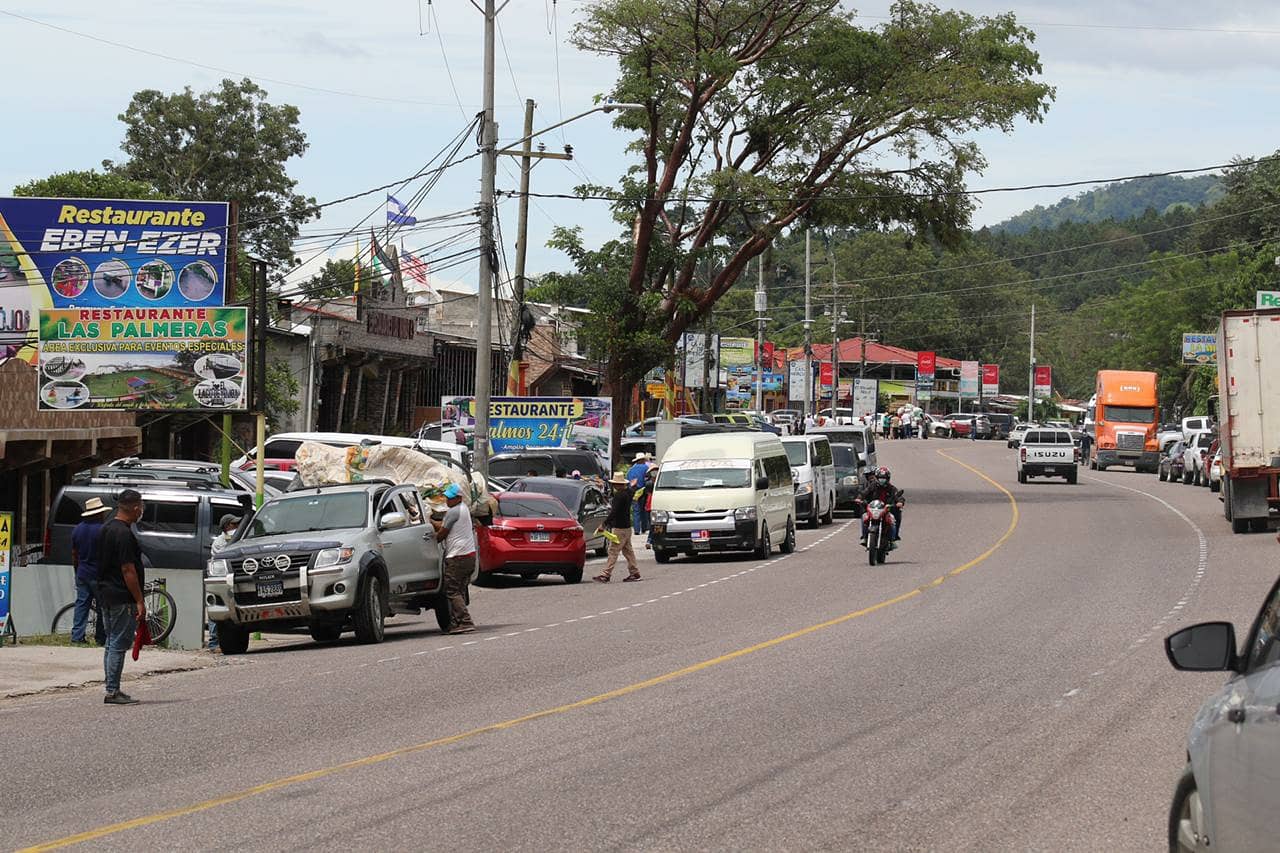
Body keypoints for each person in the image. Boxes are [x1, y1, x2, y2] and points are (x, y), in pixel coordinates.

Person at [96, 489, 146, 705]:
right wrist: (139, 600)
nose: (141, 511)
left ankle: (111, 686)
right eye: (141, 507)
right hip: (121, 595)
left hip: (105, 593)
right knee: (118, 642)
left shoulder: (107, 528)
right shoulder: (123, 534)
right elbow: (128, 569)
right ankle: (112, 690)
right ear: (135, 508)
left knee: (110, 641)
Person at [431, 484, 477, 634]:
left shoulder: (453, 511)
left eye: (450, 498)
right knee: (459, 590)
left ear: (458, 498)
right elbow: (445, 526)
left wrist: (430, 539)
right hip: (469, 556)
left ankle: (465, 621)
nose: (447, 500)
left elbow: (442, 534)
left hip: (458, 557)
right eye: (447, 497)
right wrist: (431, 522)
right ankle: (457, 623)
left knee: (451, 591)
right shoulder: (463, 509)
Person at [70, 497, 111, 645]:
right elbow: (107, 554)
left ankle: (77, 636)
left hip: (82, 572)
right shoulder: (103, 530)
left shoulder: (77, 529)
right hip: (98, 574)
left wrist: (77, 570)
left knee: (82, 605)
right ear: (99, 514)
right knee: (102, 607)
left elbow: (74, 554)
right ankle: (101, 637)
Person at [595, 473, 640, 582]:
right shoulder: (628, 493)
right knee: (628, 551)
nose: (614, 486)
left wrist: (604, 524)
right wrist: (632, 485)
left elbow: (614, 512)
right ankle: (634, 572)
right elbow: (632, 489)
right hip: (627, 527)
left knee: (613, 551)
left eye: (615, 484)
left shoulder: (619, 496)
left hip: (619, 527)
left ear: (618, 485)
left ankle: (606, 574)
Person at [207, 514, 241, 651]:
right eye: (234, 524)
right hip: (221, 579)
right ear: (227, 526)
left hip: (233, 579)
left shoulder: (238, 538)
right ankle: (214, 643)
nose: (237, 527)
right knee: (218, 608)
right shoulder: (220, 542)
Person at [856, 467, 905, 547]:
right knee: (864, 517)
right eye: (880, 478)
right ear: (876, 478)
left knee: (894, 518)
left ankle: (893, 539)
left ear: (888, 479)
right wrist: (859, 498)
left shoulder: (891, 488)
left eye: (884, 478)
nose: (882, 480)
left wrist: (900, 502)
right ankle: (865, 537)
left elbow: (898, 496)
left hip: (886, 510)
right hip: (873, 509)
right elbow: (863, 493)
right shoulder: (872, 486)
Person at [626, 452, 651, 534]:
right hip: (643, 491)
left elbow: (627, 481)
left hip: (633, 492)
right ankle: (644, 528)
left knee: (636, 511)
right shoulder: (646, 468)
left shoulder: (631, 470)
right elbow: (648, 480)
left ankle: (636, 530)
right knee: (643, 510)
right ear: (643, 460)